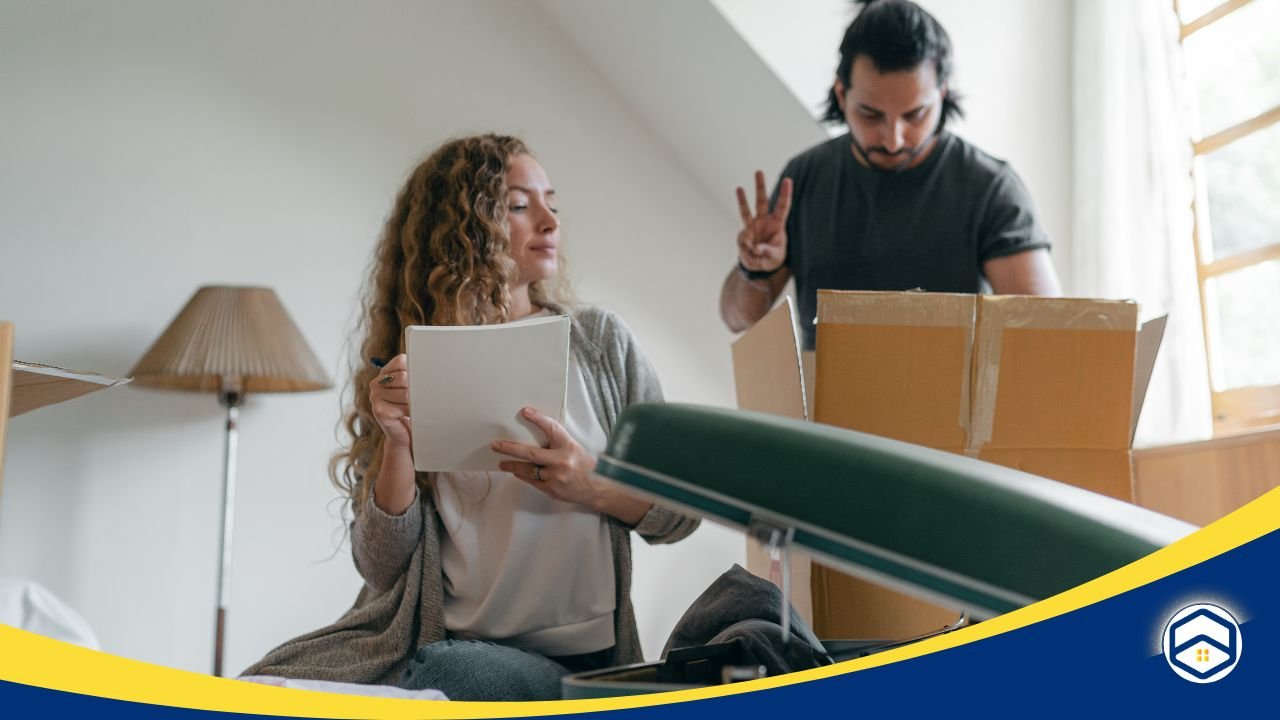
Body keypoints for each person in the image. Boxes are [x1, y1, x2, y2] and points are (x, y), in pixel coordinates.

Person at [243, 134, 699, 701]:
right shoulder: (416, 361)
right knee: (261, 684)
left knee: (453, 676)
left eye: (552, 202)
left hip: (575, 664)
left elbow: (682, 511)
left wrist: (591, 484)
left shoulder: (601, 345)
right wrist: (398, 444)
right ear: (463, 227)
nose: (550, 221)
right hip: (441, 641)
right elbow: (382, 569)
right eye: (519, 205)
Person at [720, 0, 1062, 349]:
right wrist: (754, 269)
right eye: (871, 115)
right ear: (842, 94)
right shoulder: (805, 177)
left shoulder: (990, 188)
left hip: (951, 401)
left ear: (942, 95)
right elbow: (738, 319)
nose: (893, 139)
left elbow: (1043, 335)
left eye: (915, 115)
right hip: (830, 401)